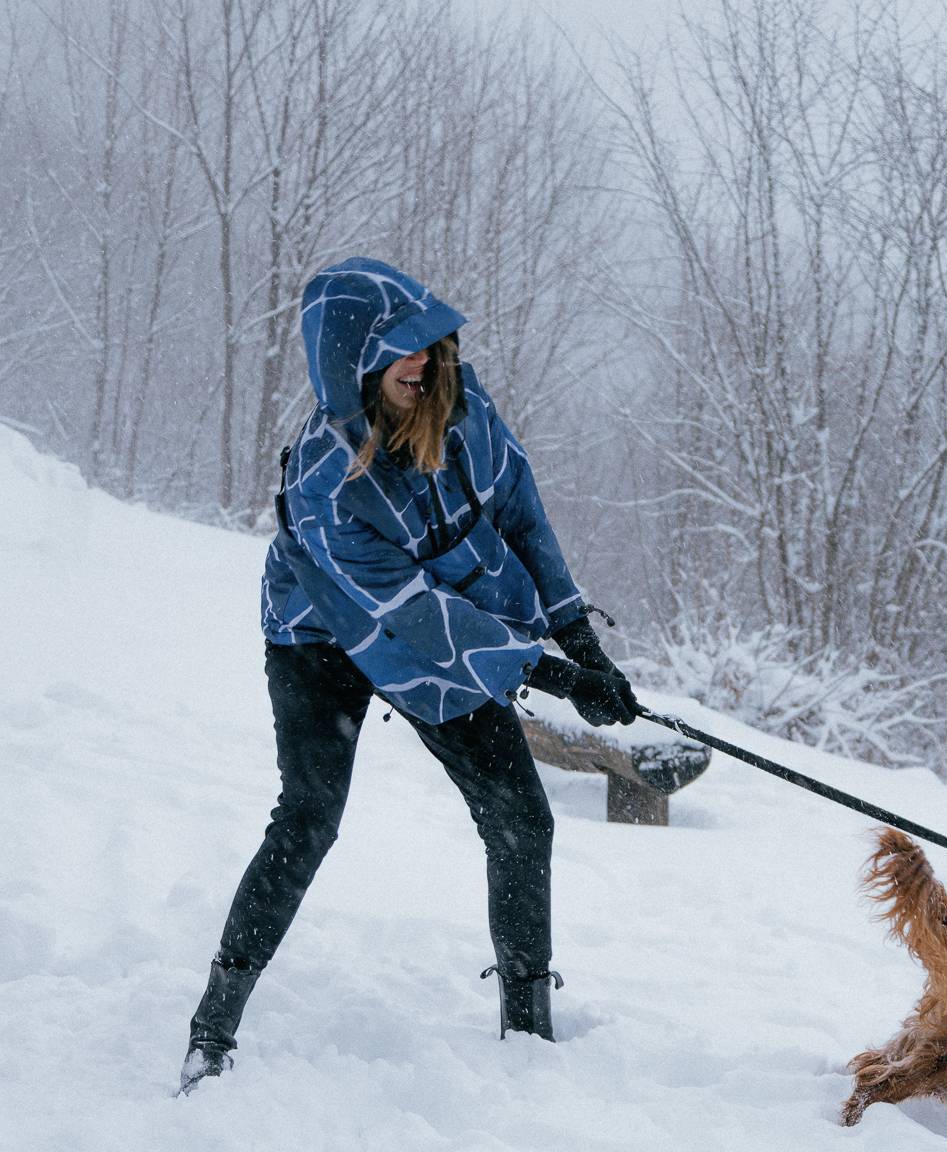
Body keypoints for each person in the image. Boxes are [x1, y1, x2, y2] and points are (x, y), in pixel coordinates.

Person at [179, 258, 639, 1093]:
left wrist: (579, 636)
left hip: (432, 627)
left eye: (428, 343)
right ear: (353, 359)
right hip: (323, 632)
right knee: (310, 815)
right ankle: (213, 1025)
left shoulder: (457, 409)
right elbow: (416, 616)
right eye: (401, 350)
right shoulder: (326, 483)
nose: (423, 363)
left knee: (520, 817)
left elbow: (519, 507)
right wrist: (547, 671)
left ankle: (529, 1037)